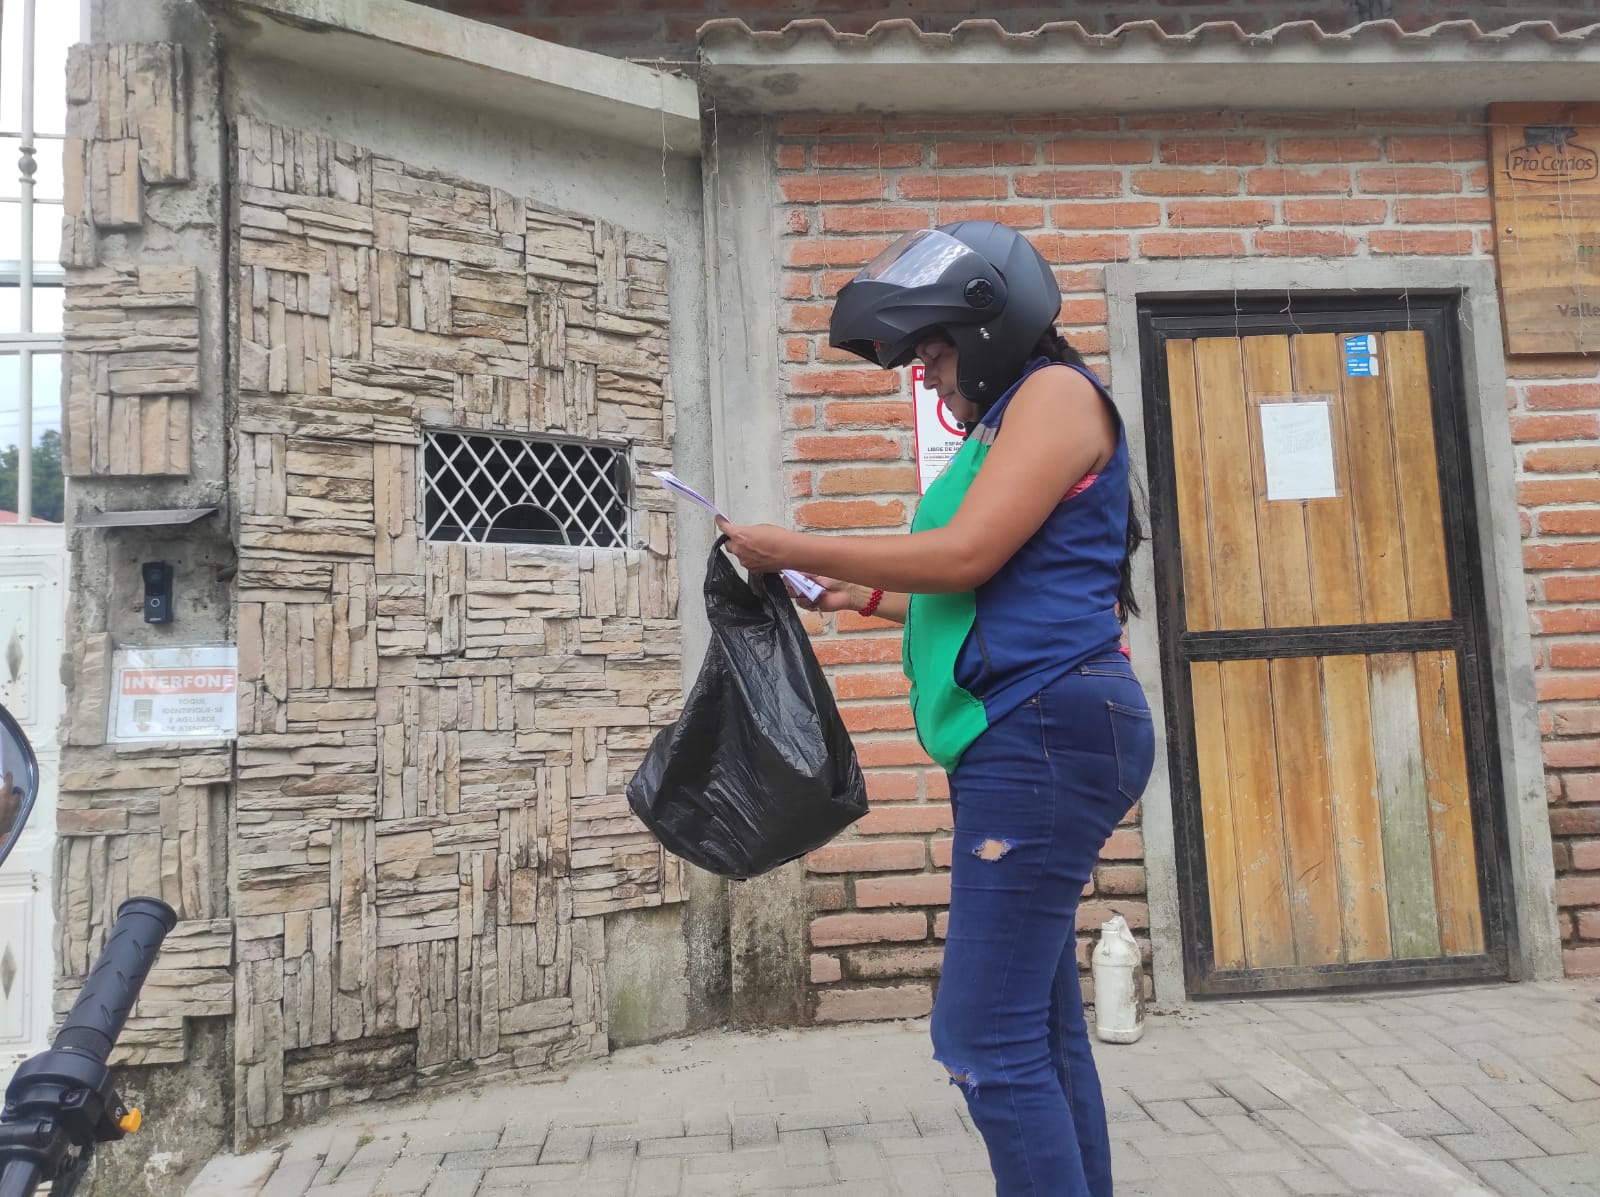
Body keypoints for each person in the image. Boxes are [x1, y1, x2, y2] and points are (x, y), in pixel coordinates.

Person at [717, 221, 1156, 1197]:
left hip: (1043, 730)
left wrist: (800, 542)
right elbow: (984, 587)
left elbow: (965, 556)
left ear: (990, 325)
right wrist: (855, 594)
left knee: (981, 1038)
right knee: (1039, 1030)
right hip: (1030, 731)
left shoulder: (1054, 394)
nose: (924, 373)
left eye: (935, 350)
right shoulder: (1008, 424)